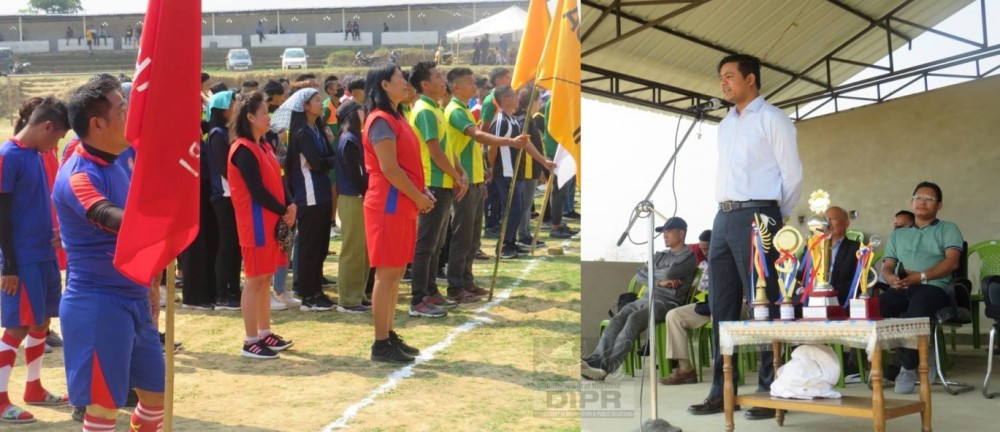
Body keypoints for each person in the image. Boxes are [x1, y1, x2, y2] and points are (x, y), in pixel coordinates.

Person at [688, 54, 802, 420]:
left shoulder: (773, 119)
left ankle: (771, 390)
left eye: (729, 76)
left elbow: (793, 175)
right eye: (720, 77)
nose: (723, 83)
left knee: (762, 301)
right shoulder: (725, 125)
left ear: (751, 79)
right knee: (722, 306)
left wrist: (771, 215)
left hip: (758, 214)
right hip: (723, 216)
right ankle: (723, 389)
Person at [55, 78, 164, 431]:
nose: (130, 114)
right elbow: (106, 215)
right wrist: (161, 223)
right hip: (98, 305)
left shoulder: (120, 160)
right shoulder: (77, 173)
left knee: (156, 398)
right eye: (122, 109)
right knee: (103, 410)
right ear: (97, 124)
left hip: (134, 300)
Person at [0, 97, 70, 424]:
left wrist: (55, 232)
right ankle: (0, 399)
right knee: (17, 325)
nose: (57, 143)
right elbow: (1, 216)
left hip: (43, 253)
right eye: (57, 136)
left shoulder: (36, 155)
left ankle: (34, 387)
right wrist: (8, 266)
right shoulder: (8, 156)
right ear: (46, 127)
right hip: (22, 259)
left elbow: (37, 204)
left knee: (41, 321)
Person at [362, 65, 434, 363]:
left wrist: (422, 190)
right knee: (387, 273)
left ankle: (388, 334)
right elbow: (389, 169)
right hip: (388, 204)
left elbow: (408, 163)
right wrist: (417, 196)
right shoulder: (380, 120)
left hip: (402, 203)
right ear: (384, 85)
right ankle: (380, 343)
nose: (406, 84)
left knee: (396, 273)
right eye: (400, 79)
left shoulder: (397, 117)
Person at [444, 68, 528, 303]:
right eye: (469, 83)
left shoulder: (463, 110)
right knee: (462, 236)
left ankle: (466, 281)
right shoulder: (455, 111)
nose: (475, 87)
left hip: (474, 179)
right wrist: (509, 141)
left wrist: (483, 172)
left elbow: (475, 144)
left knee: (472, 237)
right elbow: (478, 137)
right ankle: (455, 287)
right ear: (457, 87)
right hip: (463, 181)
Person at [582, 217, 697, 380]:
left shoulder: (688, 257)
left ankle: (607, 368)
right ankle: (597, 359)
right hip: (644, 299)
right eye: (663, 232)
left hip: (667, 303)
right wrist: (660, 281)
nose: (664, 235)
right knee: (618, 318)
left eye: (669, 231)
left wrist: (656, 273)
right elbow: (640, 274)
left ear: (681, 233)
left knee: (634, 319)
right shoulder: (660, 255)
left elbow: (668, 273)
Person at [227, 92, 296, 359]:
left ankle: (265, 332)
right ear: (250, 117)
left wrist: (289, 204)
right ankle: (251, 340)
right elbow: (256, 190)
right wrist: (284, 209)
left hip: (271, 219)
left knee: (265, 278)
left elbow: (278, 180)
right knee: (255, 281)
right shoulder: (243, 149)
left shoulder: (264, 145)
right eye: (265, 112)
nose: (269, 117)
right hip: (255, 222)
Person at [880, 181, 962, 394]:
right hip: (901, 287)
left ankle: (907, 368)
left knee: (916, 310)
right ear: (912, 202)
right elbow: (887, 266)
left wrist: (921, 276)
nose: (922, 202)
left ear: (939, 206)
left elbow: (951, 262)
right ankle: (917, 353)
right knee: (877, 309)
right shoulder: (898, 234)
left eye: (929, 199)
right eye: (918, 198)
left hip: (934, 287)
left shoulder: (948, 229)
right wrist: (890, 278)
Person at [407, 61, 470, 317]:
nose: (441, 79)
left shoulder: (436, 109)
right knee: (426, 244)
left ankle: (431, 291)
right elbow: (433, 151)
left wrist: (460, 172)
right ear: (424, 84)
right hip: (432, 182)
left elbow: (447, 148)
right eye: (437, 76)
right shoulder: (424, 110)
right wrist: (455, 175)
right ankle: (418, 299)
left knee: (437, 242)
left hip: (443, 181)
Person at [283, 88, 336, 311]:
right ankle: (307, 293)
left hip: (321, 190)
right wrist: (325, 161)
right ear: (305, 106)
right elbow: (316, 163)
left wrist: (325, 161)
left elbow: (330, 157)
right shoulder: (302, 132)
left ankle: (317, 289)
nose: (320, 103)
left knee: (321, 243)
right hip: (309, 193)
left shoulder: (317, 128)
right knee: (309, 245)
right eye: (316, 100)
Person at [488, 85, 552, 259]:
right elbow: (492, 147)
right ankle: (503, 246)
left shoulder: (513, 120)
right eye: (511, 95)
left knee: (519, 207)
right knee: (512, 208)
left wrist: (543, 161)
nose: (516, 98)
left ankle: (511, 242)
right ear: (503, 100)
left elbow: (526, 144)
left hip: (517, 172)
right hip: (505, 172)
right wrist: (491, 169)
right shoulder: (501, 120)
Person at [205, 91, 244, 312]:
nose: (235, 108)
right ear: (222, 109)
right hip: (224, 195)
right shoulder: (218, 134)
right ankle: (222, 294)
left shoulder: (228, 132)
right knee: (227, 245)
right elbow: (225, 168)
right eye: (232, 104)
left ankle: (233, 289)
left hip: (234, 194)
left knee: (236, 246)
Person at [660, 230, 712, 385]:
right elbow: (698, 289)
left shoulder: (731, 260)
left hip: (732, 304)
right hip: (707, 304)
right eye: (702, 249)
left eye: (708, 248)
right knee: (674, 315)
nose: (705, 252)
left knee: (722, 316)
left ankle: (725, 371)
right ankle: (685, 370)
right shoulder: (703, 265)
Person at [334, 101, 371, 314]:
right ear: (352, 114)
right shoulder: (349, 139)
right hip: (352, 198)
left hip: (359, 198)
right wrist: (368, 193)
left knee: (364, 250)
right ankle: (348, 299)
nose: (365, 113)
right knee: (353, 249)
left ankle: (359, 294)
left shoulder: (356, 137)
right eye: (362, 109)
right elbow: (356, 174)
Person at [823, 206, 861, 305]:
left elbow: (859, 281)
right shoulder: (813, 247)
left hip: (840, 299)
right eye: (825, 220)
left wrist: (830, 292)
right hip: (809, 297)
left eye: (833, 219)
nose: (828, 223)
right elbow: (800, 276)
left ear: (846, 223)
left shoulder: (857, 249)